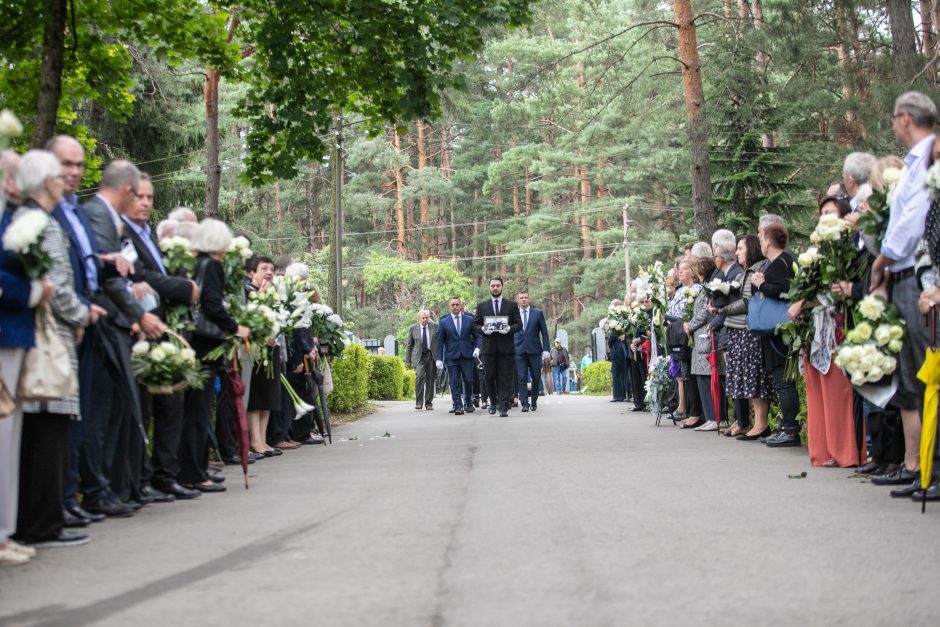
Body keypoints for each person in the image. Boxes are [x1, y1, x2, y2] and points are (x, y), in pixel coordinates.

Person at [11, 150, 95, 548]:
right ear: (48, 183)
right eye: (61, 175)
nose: (67, 179)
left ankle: (37, 519)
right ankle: (44, 522)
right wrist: (82, 315)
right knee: (51, 430)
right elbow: (58, 285)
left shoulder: (24, 218)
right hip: (52, 339)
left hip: (39, 334)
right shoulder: (42, 223)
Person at [82, 160, 166, 515]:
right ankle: (100, 489)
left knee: (117, 413)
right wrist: (139, 315)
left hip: (118, 322)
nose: (143, 202)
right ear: (129, 191)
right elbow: (110, 280)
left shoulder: (106, 217)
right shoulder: (101, 215)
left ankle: (113, 488)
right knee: (102, 413)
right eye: (140, 194)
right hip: (106, 323)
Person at [868, 91, 937, 488]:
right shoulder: (915, 163)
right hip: (903, 273)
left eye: (895, 119)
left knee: (926, 371)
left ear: (906, 118)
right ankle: (920, 465)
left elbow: (912, 222)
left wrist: (883, 258)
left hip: (918, 273)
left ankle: (931, 464)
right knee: (911, 375)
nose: (894, 126)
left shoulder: (929, 159)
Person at [121, 173, 201, 501]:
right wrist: (184, 288)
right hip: (140, 330)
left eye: (150, 198)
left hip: (166, 333)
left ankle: (164, 475)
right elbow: (141, 276)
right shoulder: (124, 233)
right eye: (139, 196)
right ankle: (141, 479)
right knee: (145, 409)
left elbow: (155, 278)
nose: (145, 203)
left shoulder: (149, 240)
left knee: (172, 404)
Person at [181, 219, 250, 492]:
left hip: (193, 341)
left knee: (195, 409)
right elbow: (212, 304)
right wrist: (235, 327)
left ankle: (194, 468)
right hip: (207, 342)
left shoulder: (195, 264)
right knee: (199, 410)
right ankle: (194, 473)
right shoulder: (212, 266)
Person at [717, 233, 772, 440]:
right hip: (741, 331)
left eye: (740, 248)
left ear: (751, 249)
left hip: (750, 330)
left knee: (755, 379)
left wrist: (724, 309)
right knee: (748, 379)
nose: (737, 252)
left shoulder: (757, 268)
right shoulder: (745, 272)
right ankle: (756, 423)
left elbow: (748, 302)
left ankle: (761, 423)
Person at [751, 221, 800, 447]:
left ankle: (790, 429)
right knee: (779, 380)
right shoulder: (775, 263)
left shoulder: (782, 262)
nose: (759, 243)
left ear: (769, 241)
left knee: (783, 381)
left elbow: (784, 291)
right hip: (772, 330)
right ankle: (784, 425)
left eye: (761, 239)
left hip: (780, 330)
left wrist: (762, 286)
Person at [244, 256, 283, 458]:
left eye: (271, 269)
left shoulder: (272, 294)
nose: (269, 272)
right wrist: (261, 296)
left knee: (269, 396)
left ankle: (263, 440)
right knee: (257, 396)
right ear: (252, 273)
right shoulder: (248, 292)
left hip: (271, 348)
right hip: (255, 349)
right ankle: (255, 441)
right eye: (264, 268)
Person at [474, 278, 522, 417]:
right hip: (488, 349)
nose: (495, 288)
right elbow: (475, 325)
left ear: (502, 287)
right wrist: (483, 329)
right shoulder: (482, 306)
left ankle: (502, 407)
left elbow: (519, 325)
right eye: (493, 285)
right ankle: (493, 401)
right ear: (489, 287)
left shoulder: (511, 305)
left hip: (506, 348)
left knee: (505, 378)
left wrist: (509, 328)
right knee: (488, 377)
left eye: (498, 285)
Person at [685, 256, 720, 430]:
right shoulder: (704, 289)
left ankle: (713, 417)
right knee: (701, 378)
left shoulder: (707, 290)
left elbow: (702, 314)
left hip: (704, 336)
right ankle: (709, 417)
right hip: (700, 337)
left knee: (706, 378)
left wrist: (689, 325)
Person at [436, 297, 479, 415]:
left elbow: (478, 336)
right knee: (454, 382)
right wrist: (438, 358)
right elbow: (439, 341)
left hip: (467, 355)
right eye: (452, 305)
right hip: (452, 356)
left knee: (469, 380)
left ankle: (468, 403)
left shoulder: (469, 320)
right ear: (449, 306)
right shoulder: (444, 321)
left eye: (457, 305)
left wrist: (477, 348)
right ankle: (458, 405)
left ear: (461, 306)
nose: (455, 307)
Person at [514, 290, 549, 412]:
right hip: (519, 350)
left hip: (534, 350)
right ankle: (524, 403)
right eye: (521, 297)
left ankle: (534, 400)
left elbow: (544, 333)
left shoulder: (537, 313)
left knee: (535, 376)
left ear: (529, 299)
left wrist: (546, 350)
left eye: (525, 297)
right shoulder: (514, 314)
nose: (523, 299)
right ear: (518, 300)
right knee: (521, 377)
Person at [406, 309, 438, 410]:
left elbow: (440, 341)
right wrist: (408, 360)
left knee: (430, 379)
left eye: (427, 318)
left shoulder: (435, 326)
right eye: (423, 318)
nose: (425, 320)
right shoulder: (413, 328)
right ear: (419, 319)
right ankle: (418, 402)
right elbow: (409, 345)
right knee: (419, 377)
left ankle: (428, 403)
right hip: (419, 356)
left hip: (431, 355)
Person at [606, 299, 629, 403]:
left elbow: (612, 337)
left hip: (617, 348)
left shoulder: (615, 320)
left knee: (617, 372)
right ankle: (623, 394)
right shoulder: (623, 317)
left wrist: (610, 343)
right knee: (622, 372)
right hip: (622, 347)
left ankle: (618, 395)